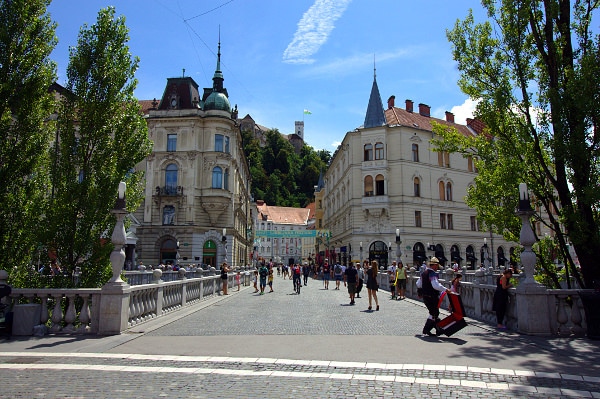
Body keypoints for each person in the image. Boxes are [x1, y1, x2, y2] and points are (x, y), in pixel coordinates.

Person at [416, 257, 450, 336]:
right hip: (432, 296)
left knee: (434, 313)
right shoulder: (432, 273)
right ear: (434, 265)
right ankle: (426, 329)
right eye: (437, 266)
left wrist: (422, 290)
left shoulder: (424, 273)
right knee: (434, 313)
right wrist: (445, 289)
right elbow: (435, 285)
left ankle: (439, 329)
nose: (437, 268)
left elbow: (418, 284)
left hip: (425, 296)